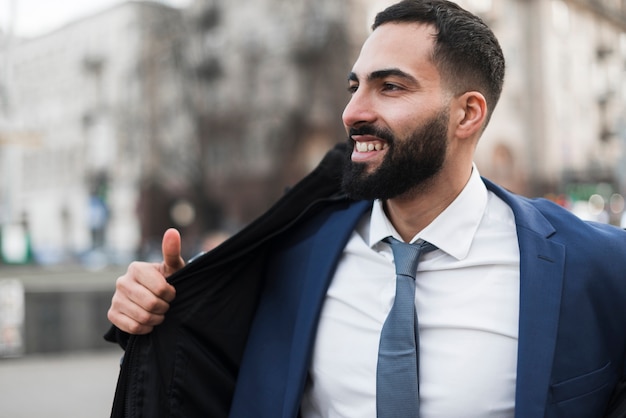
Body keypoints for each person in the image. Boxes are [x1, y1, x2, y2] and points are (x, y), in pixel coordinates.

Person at [106, 1, 626, 417]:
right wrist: (162, 298)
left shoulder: (599, 267)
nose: (352, 112)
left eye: (391, 86)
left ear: (467, 113)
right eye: (355, 86)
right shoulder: (292, 254)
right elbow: (201, 348)